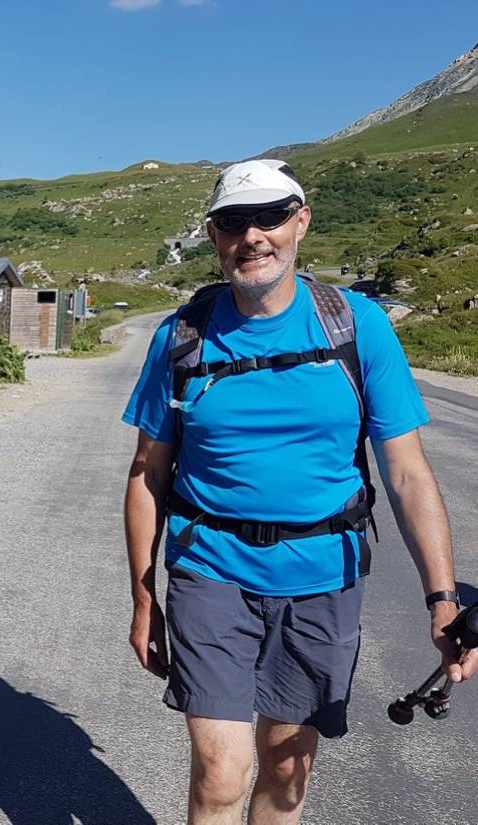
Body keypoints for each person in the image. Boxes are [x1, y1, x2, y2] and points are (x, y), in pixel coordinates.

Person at [122, 159, 475, 824]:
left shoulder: (357, 325)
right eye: (232, 222)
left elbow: (407, 472)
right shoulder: (181, 336)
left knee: (286, 771)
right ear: (213, 235)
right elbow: (147, 474)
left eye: (271, 216)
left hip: (322, 577)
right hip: (210, 572)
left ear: (301, 223)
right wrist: (145, 600)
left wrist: (442, 596)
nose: (252, 235)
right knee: (222, 772)